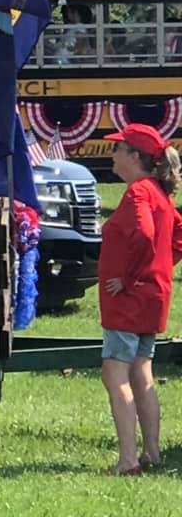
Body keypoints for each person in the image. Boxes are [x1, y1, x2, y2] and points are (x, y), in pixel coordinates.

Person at [98, 123, 182, 475]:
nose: (113, 155)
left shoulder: (138, 193)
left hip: (128, 300)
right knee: (141, 373)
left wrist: (130, 278)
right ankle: (152, 453)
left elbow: (145, 235)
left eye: (118, 149)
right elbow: (176, 239)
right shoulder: (159, 193)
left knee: (114, 375)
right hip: (154, 298)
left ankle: (128, 460)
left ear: (135, 157)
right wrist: (158, 270)